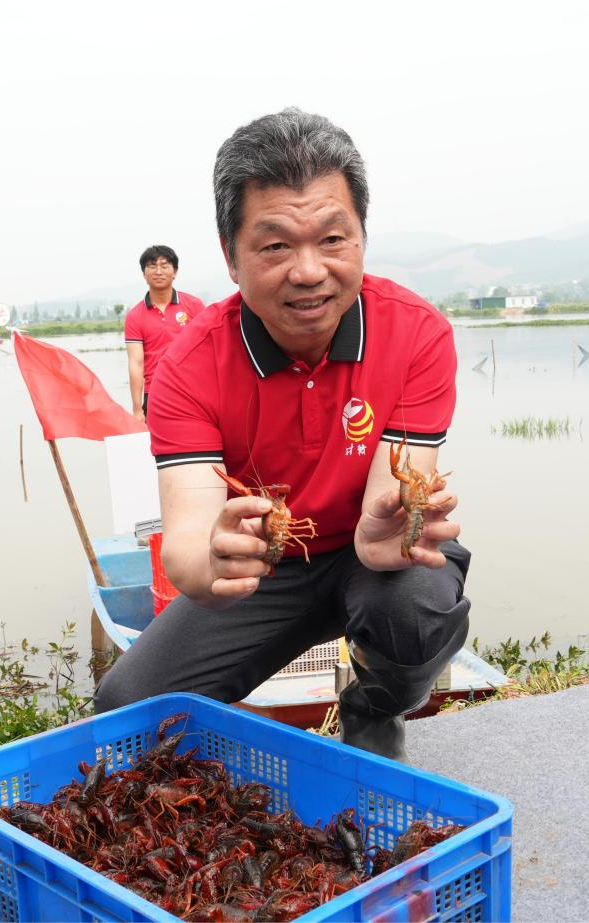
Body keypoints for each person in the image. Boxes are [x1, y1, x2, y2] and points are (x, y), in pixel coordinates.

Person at [94, 109, 470, 763]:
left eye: (333, 239)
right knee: (127, 709)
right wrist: (214, 560)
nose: (308, 270)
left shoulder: (417, 333)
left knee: (416, 605)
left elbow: (399, 486)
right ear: (230, 255)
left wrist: (387, 534)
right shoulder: (189, 362)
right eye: (275, 245)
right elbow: (186, 537)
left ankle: (374, 706)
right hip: (263, 566)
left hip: (367, 553)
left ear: (362, 238)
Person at [123, 245, 206, 422]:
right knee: (158, 448)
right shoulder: (135, 316)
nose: (158, 271)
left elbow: (208, 351)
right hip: (155, 394)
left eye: (164, 265)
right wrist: (137, 409)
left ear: (174, 271)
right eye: (152, 266)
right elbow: (136, 363)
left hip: (193, 391)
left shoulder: (193, 305)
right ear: (144, 273)